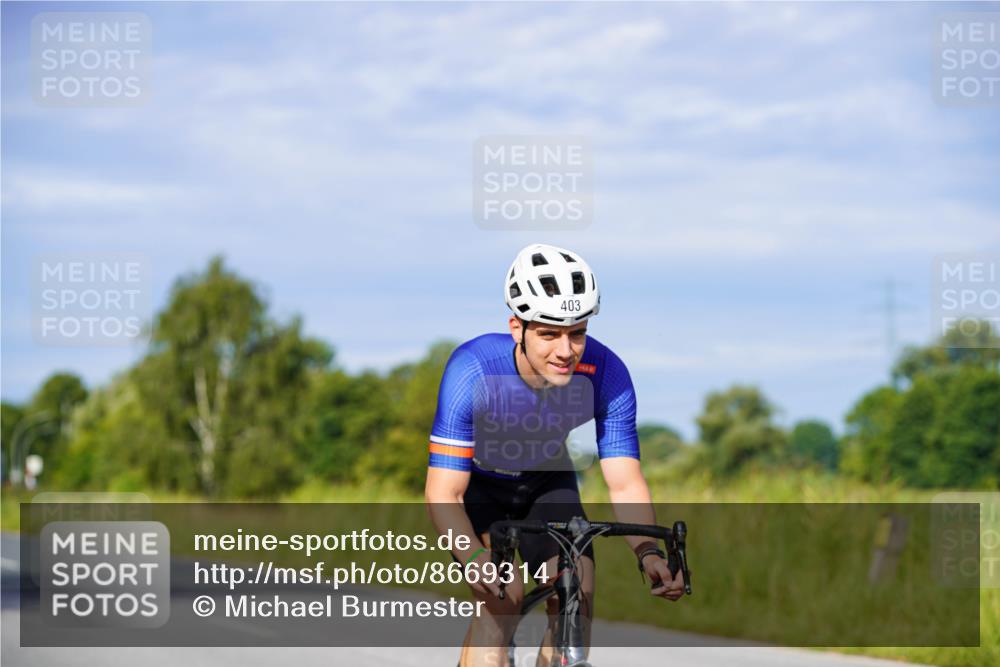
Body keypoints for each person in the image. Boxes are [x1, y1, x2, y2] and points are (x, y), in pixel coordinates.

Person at [424, 243, 685, 667]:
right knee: (501, 600)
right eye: (548, 334)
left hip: (547, 481)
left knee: (576, 592)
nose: (566, 351)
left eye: (577, 333)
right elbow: (443, 493)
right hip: (480, 489)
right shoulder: (473, 369)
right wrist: (473, 558)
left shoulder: (608, 373)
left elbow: (624, 483)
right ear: (517, 327)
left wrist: (648, 552)